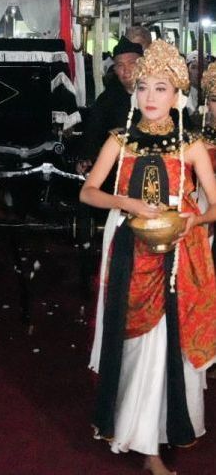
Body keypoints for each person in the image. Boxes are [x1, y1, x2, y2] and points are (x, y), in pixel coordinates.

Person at [80, 39, 216, 475]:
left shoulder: (191, 145)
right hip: (130, 253)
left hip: (180, 259)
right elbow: (88, 192)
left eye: (161, 88)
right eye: (143, 88)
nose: (151, 98)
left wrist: (193, 223)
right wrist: (128, 204)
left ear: (178, 94)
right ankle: (139, 437)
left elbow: (215, 204)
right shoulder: (120, 141)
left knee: (168, 348)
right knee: (138, 347)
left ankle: (160, 435)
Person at [79, 35, 143, 167]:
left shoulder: (159, 96)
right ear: (115, 70)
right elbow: (92, 134)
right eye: (120, 65)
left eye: (132, 63)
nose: (126, 70)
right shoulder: (107, 99)